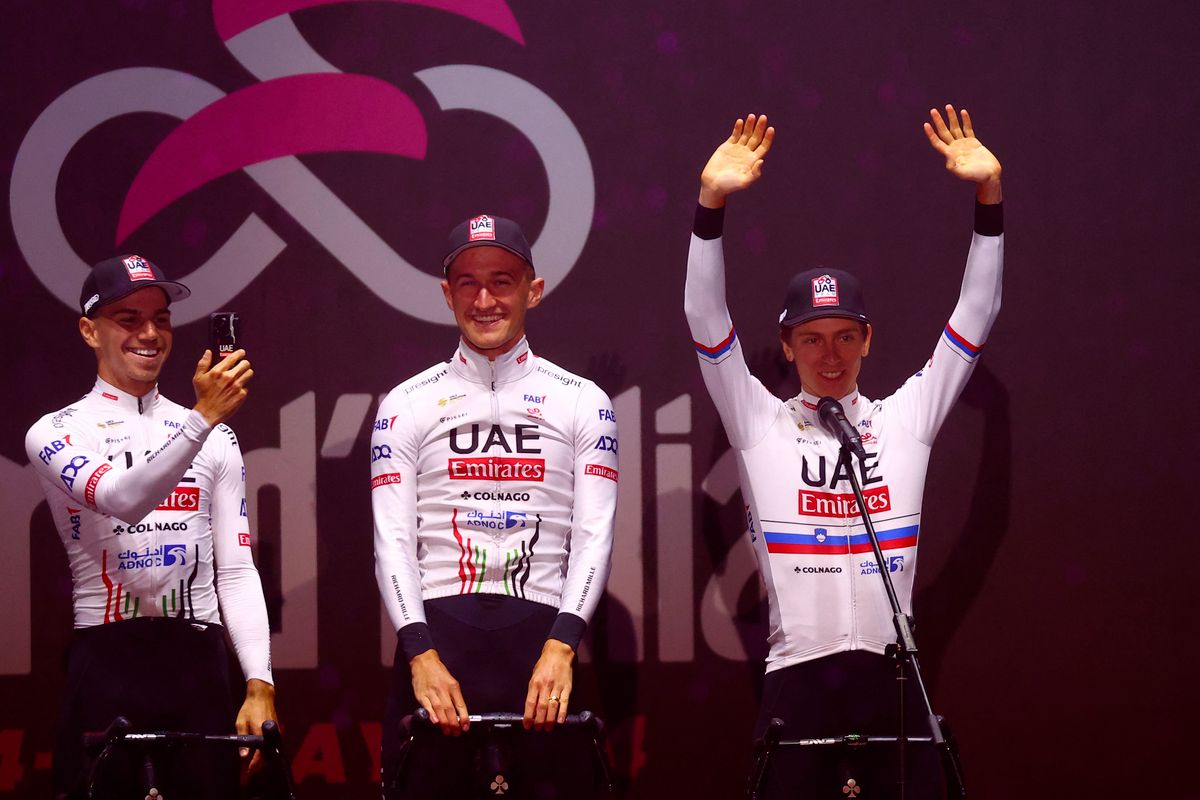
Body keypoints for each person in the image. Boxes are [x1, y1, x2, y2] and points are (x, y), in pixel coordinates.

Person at [684, 107, 1003, 796]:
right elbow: (705, 319)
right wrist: (710, 207)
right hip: (796, 683)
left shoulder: (905, 420)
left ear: (868, 339)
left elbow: (977, 311)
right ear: (789, 344)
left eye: (844, 337)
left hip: (893, 684)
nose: (829, 355)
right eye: (811, 338)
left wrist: (988, 199)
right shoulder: (758, 423)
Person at [372, 214, 618, 798]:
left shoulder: (583, 401)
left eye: (502, 281)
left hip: (544, 657)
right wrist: (420, 653)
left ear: (533, 290)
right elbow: (392, 542)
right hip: (437, 654)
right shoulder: (405, 403)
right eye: (468, 283)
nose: (485, 299)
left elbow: (594, 536)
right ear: (446, 294)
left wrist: (562, 647)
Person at [25, 255, 276, 799]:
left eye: (160, 318)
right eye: (127, 318)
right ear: (89, 330)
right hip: (107, 660)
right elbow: (123, 499)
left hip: (200, 663)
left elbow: (234, 571)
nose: (149, 333)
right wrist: (202, 419)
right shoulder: (54, 432)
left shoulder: (216, 437)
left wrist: (259, 683)